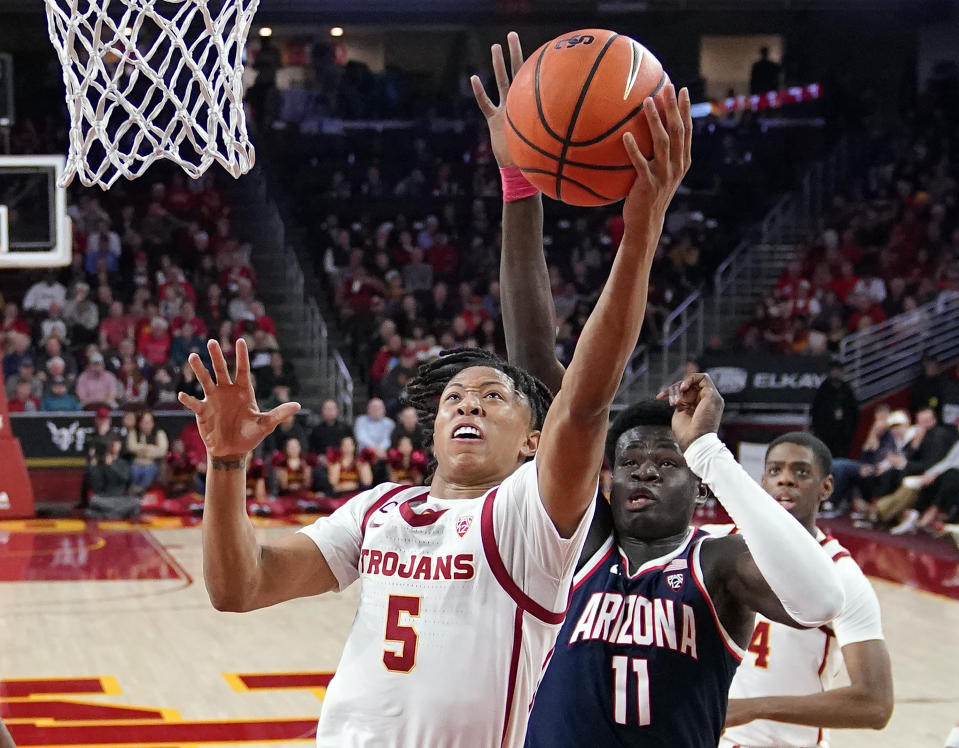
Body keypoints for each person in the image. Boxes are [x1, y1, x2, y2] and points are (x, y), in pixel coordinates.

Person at [178, 51, 694, 745]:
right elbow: (239, 589)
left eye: (491, 396)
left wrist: (640, 232)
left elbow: (581, 401)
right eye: (453, 397)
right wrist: (227, 465)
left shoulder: (526, 520)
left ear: (533, 440)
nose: (468, 405)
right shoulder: (380, 509)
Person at [472, 34, 843, 748]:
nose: (644, 468)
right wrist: (519, 183)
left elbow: (819, 598)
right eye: (631, 460)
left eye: (663, 462)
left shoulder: (717, 564)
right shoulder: (581, 544)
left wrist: (706, 450)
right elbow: (532, 359)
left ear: (693, 484)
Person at [712, 432, 893, 748]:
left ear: (827, 486)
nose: (786, 480)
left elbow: (875, 704)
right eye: (775, 471)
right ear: (762, 482)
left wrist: (756, 708)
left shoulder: (842, 575)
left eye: (801, 471)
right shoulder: (715, 545)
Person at [810, 361, 859, 458]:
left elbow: (854, 410)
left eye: (838, 371)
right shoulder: (823, 390)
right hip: (826, 434)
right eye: (834, 371)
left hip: (843, 435)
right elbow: (816, 412)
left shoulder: (847, 389)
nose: (836, 373)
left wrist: (849, 428)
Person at [125, 410, 169, 494]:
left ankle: (141, 491)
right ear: (139, 423)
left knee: (149, 470)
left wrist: (142, 451)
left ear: (153, 423)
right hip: (136, 463)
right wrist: (150, 448)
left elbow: (162, 451)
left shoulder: (159, 433)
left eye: (148, 422)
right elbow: (131, 447)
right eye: (143, 422)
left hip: (153, 464)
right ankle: (133, 491)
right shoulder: (134, 432)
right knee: (134, 470)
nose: (146, 425)